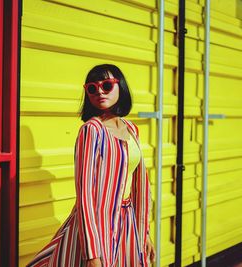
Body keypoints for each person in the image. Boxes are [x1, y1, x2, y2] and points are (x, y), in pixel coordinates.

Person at [27, 64, 155, 267]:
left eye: (106, 85)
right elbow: (85, 195)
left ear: (120, 86)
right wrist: (92, 253)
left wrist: (144, 233)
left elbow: (139, 182)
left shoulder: (131, 128)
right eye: (92, 88)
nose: (100, 92)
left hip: (127, 221)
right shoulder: (91, 130)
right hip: (98, 227)